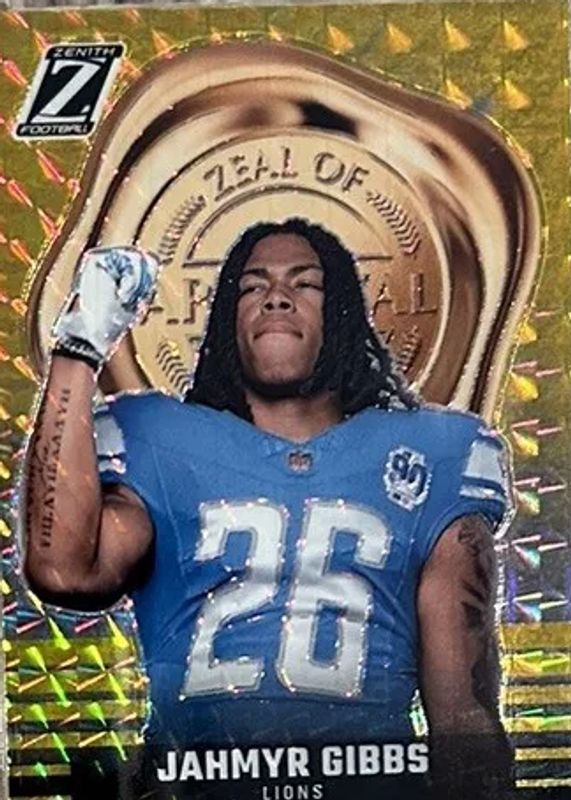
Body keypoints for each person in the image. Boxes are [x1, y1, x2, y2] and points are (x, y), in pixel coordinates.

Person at [22, 219, 514, 799]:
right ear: (227, 319)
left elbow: (463, 716)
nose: (276, 296)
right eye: (252, 285)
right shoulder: (159, 440)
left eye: (304, 283)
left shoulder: (434, 452)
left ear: (344, 311)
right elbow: (63, 570)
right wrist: (79, 348)